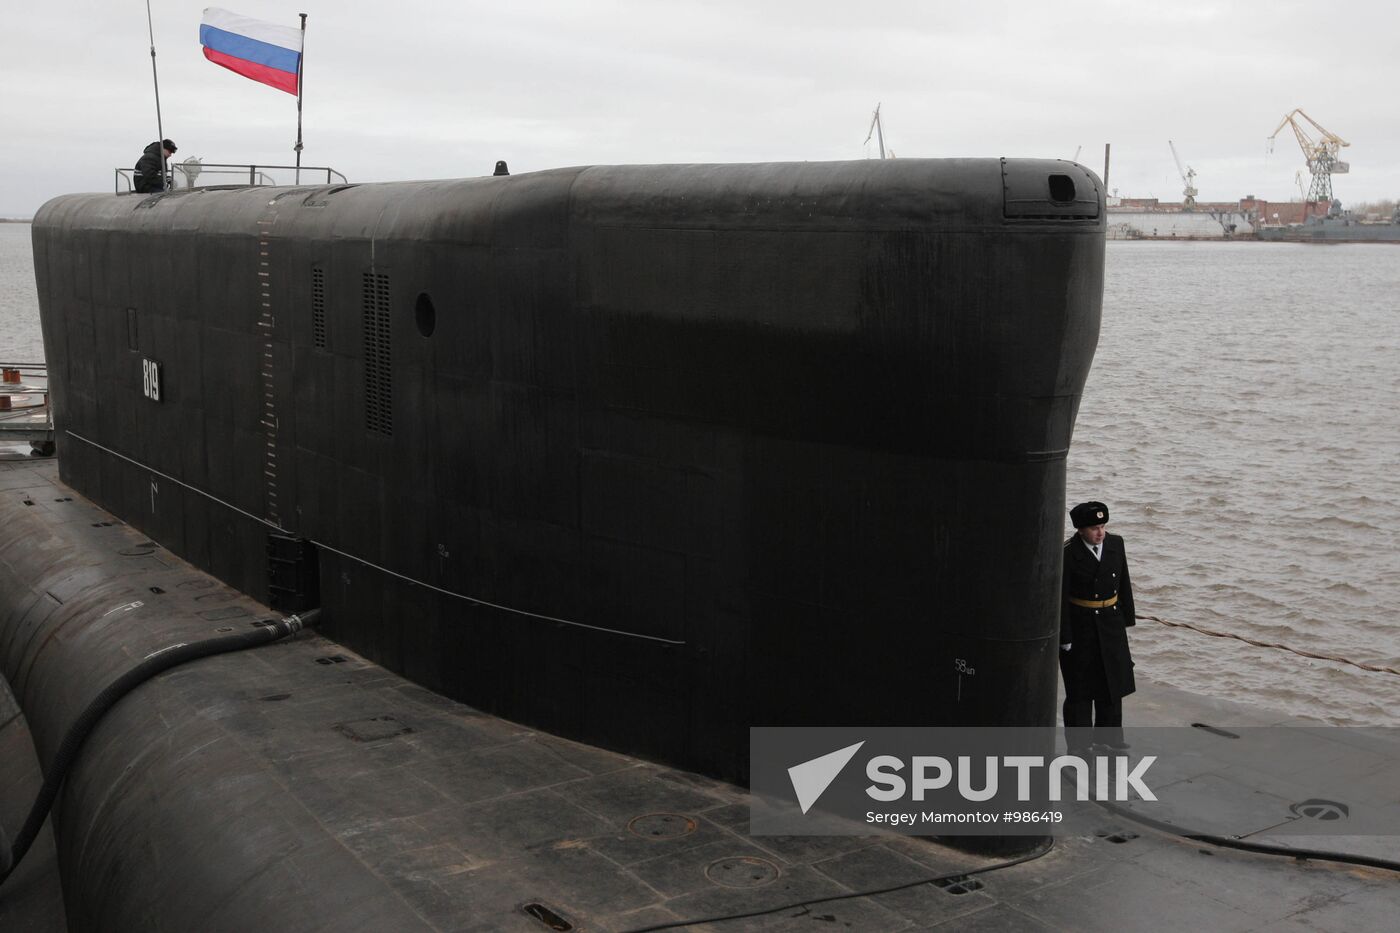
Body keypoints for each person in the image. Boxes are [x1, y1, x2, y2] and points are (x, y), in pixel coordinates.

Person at [1059, 500, 1136, 752]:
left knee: (1111, 686)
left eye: (1102, 526)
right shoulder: (1068, 553)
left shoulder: (1116, 544)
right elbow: (1060, 597)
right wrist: (1065, 635)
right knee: (1081, 691)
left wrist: (1126, 620)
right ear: (1081, 529)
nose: (1100, 532)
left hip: (1110, 624)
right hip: (1081, 628)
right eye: (1094, 528)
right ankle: (1080, 746)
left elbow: (1123, 583)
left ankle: (1109, 738)